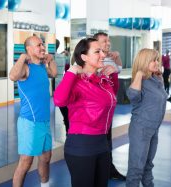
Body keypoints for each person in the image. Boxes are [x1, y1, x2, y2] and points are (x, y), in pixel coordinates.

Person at [54, 38, 119, 187]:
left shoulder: (101, 79)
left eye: (102, 51)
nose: (103, 55)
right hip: (82, 145)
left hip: (103, 143)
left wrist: (113, 75)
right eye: (97, 51)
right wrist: (71, 72)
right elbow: (59, 100)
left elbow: (111, 99)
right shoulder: (77, 82)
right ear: (84, 57)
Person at [9, 35, 57, 187]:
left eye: (43, 44)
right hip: (29, 123)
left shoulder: (42, 66)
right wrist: (22, 57)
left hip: (44, 121)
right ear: (29, 49)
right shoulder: (25, 68)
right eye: (38, 45)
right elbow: (12, 76)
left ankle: (45, 185)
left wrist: (50, 59)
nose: (42, 47)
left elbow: (54, 73)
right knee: (26, 161)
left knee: (46, 157)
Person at [126, 48, 167, 187]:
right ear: (144, 62)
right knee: (136, 168)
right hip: (141, 129)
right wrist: (138, 75)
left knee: (148, 165)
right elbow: (132, 97)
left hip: (154, 129)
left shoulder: (156, 79)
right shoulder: (140, 81)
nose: (157, 62)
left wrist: (159, 77)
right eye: (153, 60)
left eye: (157, 59)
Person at [93, 32, 126, 180]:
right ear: (95, 44)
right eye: (104, 41)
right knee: (102, 141)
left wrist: (116, 58)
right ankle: (102, 171)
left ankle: (108, 169)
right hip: (99, 109)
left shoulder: (109, 58)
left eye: (108, 41)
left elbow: (119, 67)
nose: (108, 43)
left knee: (107, 140)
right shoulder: (97, 61)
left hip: (109, 108)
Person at [54, 39, 69, 132]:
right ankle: (66, 119)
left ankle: (66, 119)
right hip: (61, 79)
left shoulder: (50, 57)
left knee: (61, 103)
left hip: (54, 80)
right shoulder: (62, 56)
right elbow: (67, 67)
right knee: (62, 103)